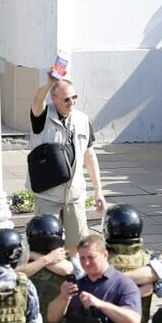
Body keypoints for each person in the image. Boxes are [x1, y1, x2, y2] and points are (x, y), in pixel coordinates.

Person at [29, 71, 106, 254]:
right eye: (66, 99)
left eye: (74, 98)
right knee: (45, 248)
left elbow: (89, 155)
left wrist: (98, 189)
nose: (71, 102)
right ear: (54, 98)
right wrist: (48, 84)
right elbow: (37, 100)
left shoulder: (82, 119)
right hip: (48, 195)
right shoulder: (42, 116)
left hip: (74, 195)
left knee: (79, 248)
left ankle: (77, 280)